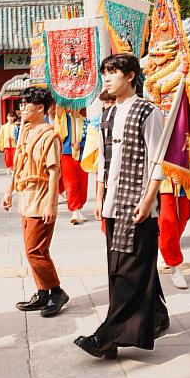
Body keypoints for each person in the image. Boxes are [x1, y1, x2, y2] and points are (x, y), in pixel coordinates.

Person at [75, 54, 170, 359]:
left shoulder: (147, 112)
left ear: (130, 76)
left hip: (138, 204)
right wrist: (99, 195)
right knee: (120, 269)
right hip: (114, 203)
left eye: (112, 74)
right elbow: (105, 161)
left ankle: (106, 338)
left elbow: (158, 161)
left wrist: (148, 200)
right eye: (104, 75)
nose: (107, 80)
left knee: (129, 271)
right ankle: (154, 317)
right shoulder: (108, 114)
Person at [2, 86, 69, 318]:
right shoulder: (26, 132)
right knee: (33, 249)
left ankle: (57, 291)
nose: (22, 109)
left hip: (41, 197)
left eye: (26, 105)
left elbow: (54, 172)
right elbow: (18, 164)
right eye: (21, 104)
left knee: (35, 250)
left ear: (40, 108)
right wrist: (8, 191)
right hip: (26, 196)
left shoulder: (50, 135)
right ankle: (43, 293)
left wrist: (52, 204)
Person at [54, 107, 90, 224]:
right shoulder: (64, 119)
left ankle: (79, 208)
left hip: (83, 154)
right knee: (70, 183)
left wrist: (81, 144)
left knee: (82, 182)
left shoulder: (86, 121)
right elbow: (58, 111)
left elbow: (90, 137)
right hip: (67, 154)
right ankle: (74, 210)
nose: (75, 108)